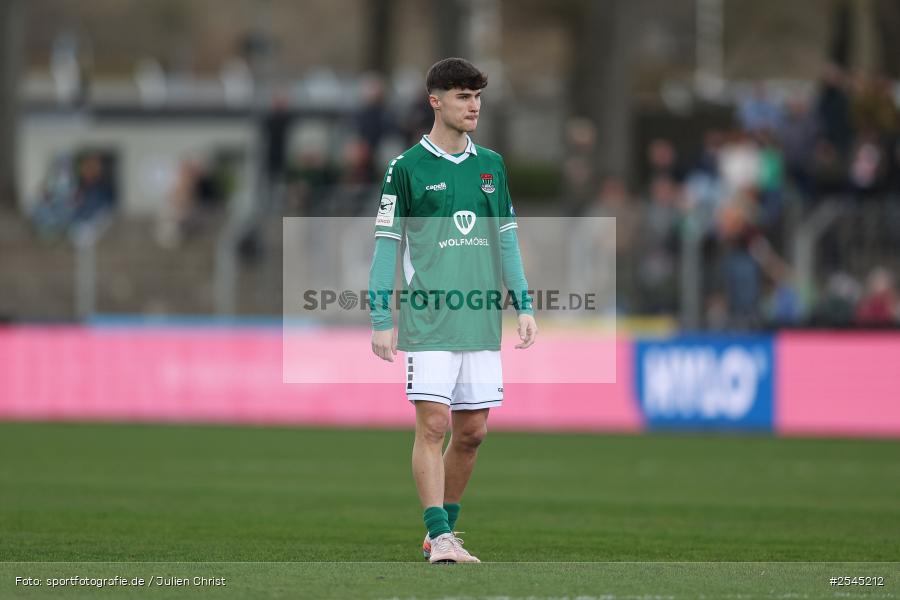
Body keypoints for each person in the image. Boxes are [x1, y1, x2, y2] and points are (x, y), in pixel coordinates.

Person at [367, 58, 537, 564]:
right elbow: (386, 247)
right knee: (434, 423)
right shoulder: (406, 169)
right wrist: (381, 317)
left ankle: (443, 531)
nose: (474, 105)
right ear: (435, 100)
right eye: (463, 96)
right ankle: (438, 536)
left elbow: (507, 241)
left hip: (480, 318)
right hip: (429, 318)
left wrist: (523, 304)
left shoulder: (493, 166)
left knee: (473, 432)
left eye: (478, 96)